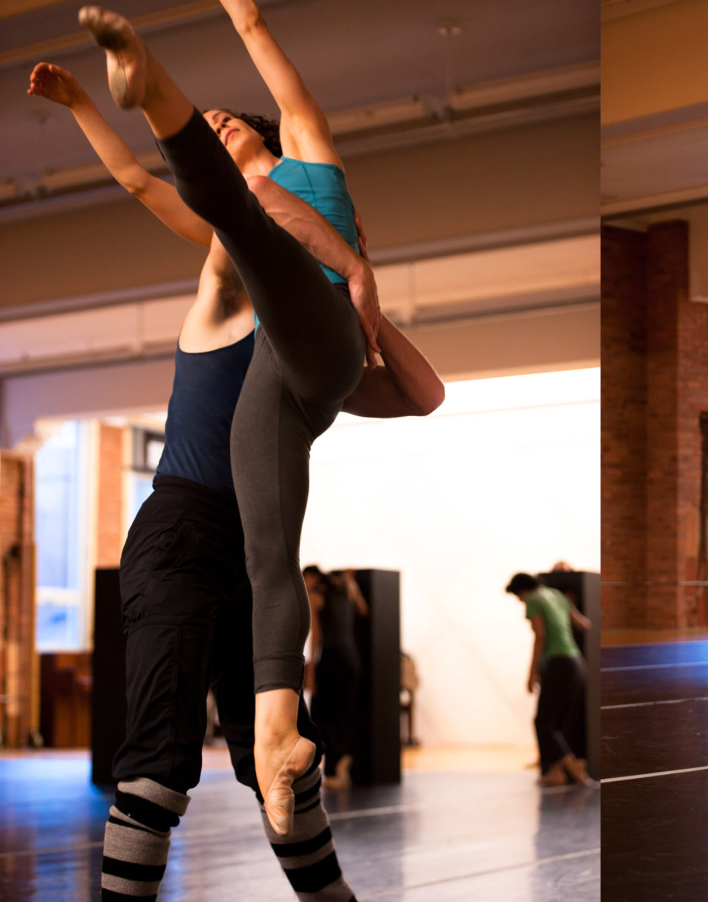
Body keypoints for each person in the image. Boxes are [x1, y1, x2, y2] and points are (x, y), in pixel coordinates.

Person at [29, 55, 440, 902]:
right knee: (159, 759)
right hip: (181, 533)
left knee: (280, 763)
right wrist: (81, 104)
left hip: (250, 548)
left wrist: (364, 305)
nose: (220, 128)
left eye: (230, 123)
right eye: (209, 127)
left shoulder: (299, 347)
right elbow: (165, 188)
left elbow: (418, 392)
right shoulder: (222, 284)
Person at [505, 573, 593, 787]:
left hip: (557, 663)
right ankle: (556, 772)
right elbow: (584, 624)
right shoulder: (557, 595)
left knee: (542, 722)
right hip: (576, 662)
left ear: (522, 590)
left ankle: (571, 764)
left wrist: (532, 672)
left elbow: (540, 635)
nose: (521, 601)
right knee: (554, 721)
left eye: (519, 597)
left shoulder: (534, 600)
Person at [304, 566, 368, 789]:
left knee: (320, 715)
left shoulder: (315, 595)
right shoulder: (345, 589)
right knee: (341, 714)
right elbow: (363, 610)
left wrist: (311, 673)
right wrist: (352, 583)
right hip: (352, 658)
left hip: (331, 658)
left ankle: (338, 759)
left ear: (310, 578)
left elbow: (316, 636)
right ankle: (336, 769)